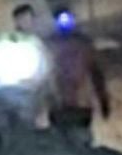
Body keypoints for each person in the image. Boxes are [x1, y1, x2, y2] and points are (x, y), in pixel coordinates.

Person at [41, 8, 110, 139]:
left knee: (75, 139)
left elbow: (96, 73)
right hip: (61, 103)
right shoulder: (50, 45)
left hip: (77, 103)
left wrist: (103, 101)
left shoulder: (82, 44)